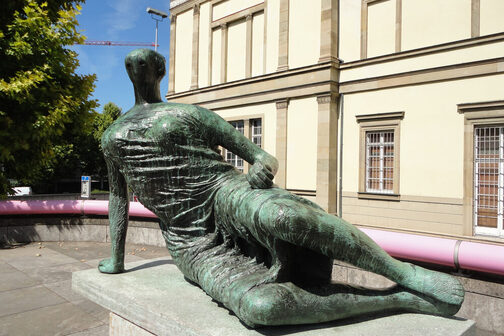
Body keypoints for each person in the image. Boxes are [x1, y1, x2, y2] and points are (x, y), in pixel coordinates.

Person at [98, 49, 464, 327]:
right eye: (133, 64)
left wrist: (260, 169)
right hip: (189, 240)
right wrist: (116, 259)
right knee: (262, 309)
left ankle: (402, 273)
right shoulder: (112, 135)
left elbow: (262, 157)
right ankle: (395, 299)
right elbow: (118, 197)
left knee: (282, 215)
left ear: (161, 71)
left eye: (146, 63)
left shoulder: (187, 114)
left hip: (225, 193)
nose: (139, 68)